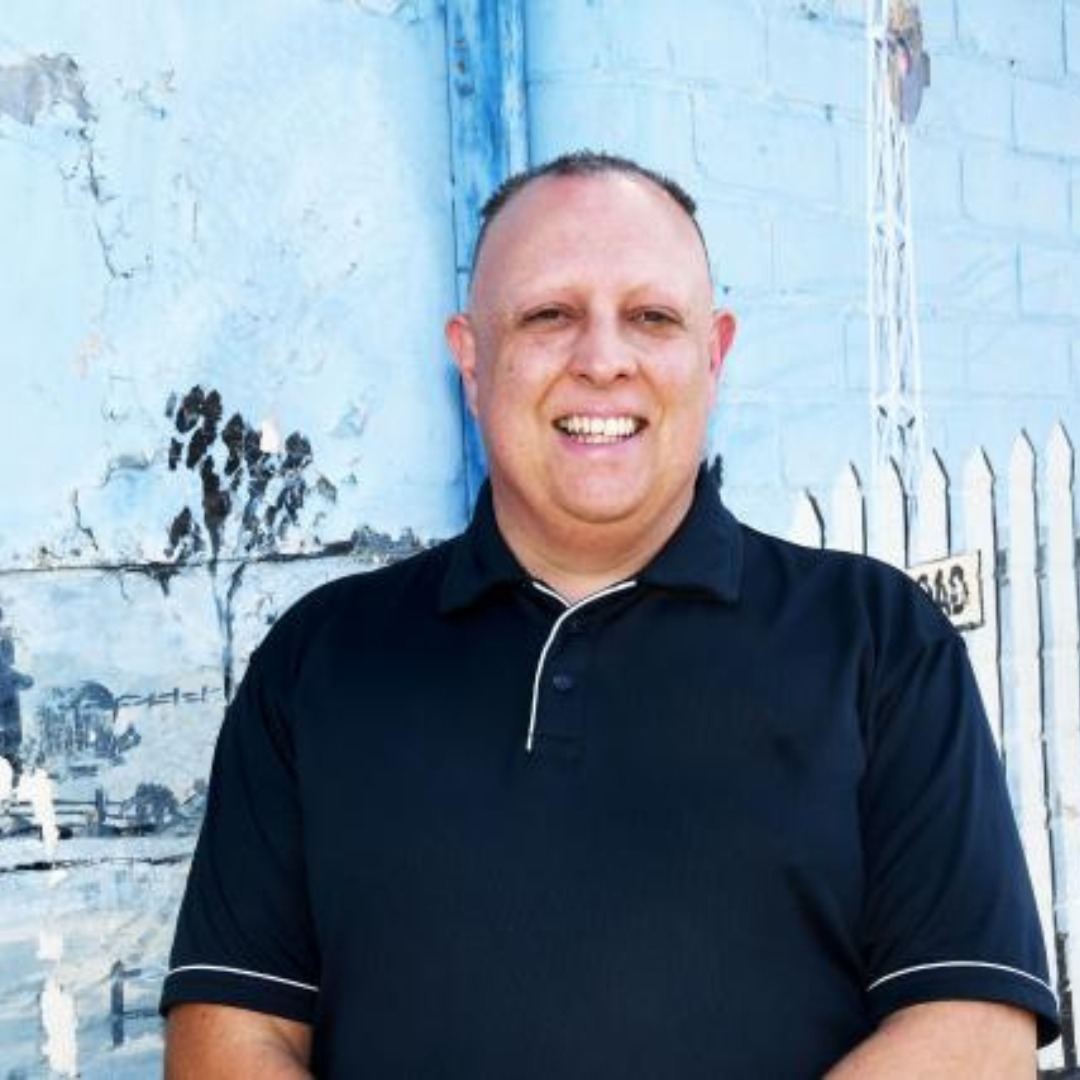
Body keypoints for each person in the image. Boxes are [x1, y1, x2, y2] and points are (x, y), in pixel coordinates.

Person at [161, 151, 1060, 1077]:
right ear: (472, 358)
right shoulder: (320, 662)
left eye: (651, 318)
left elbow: (976, 1034)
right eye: (550, 316)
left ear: (712, 355)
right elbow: (229, 1037)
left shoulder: (880, 643)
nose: (603, 360)